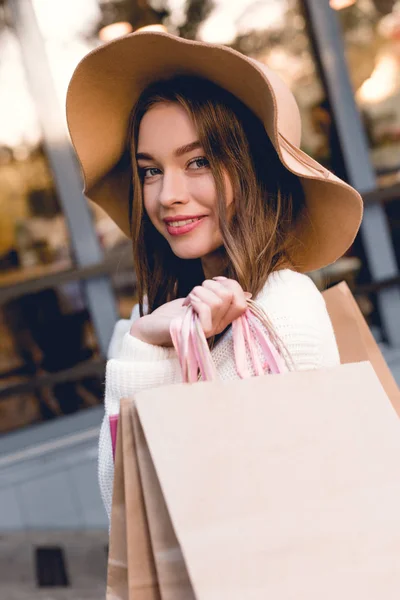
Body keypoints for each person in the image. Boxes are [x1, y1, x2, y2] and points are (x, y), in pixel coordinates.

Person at [66, 31, 363, 521]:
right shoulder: (152, 316)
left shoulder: (281, 310)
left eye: (197, 162)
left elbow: (202, 507)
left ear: (249, 168)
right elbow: (124, 512)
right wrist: (144, 340)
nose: (167, 196)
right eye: (150, 171)